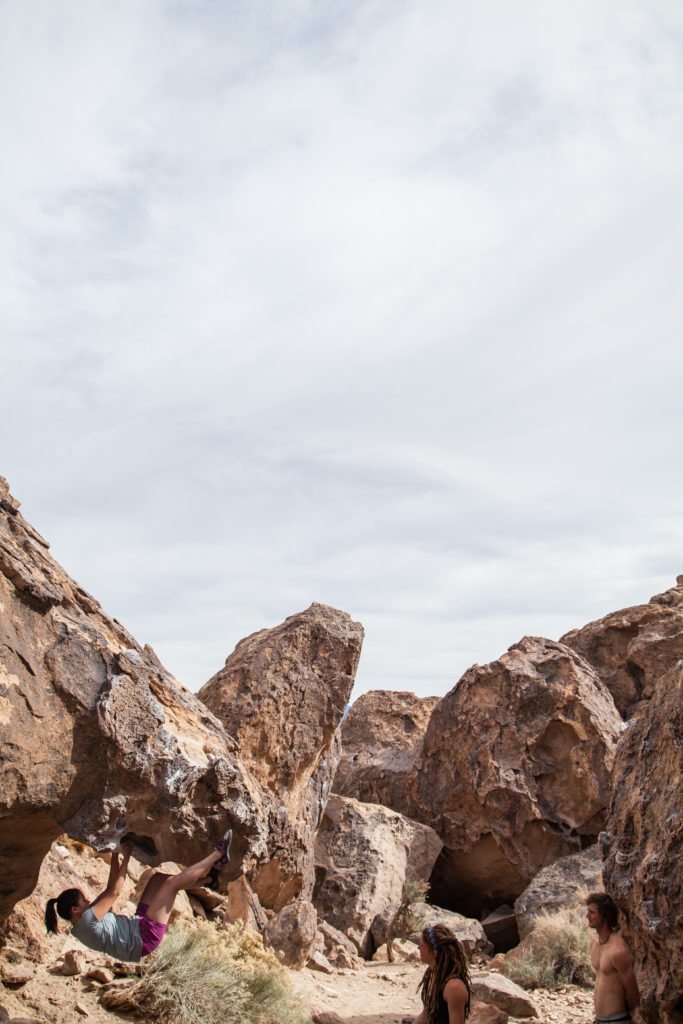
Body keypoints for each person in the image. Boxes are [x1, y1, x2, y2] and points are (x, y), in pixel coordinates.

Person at [44, 830, 233, 963]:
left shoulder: (82, 921)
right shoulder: (87, 921)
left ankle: (208, 880)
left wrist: (116, 855)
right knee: (170, 885)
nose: (87, 900)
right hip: (143, 938)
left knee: (158, 879)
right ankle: (219, 854)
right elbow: (116, 891)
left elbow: (109, 888)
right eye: (83, 900)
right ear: (75, 909)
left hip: (137, 925)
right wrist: (127, 855)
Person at [586, 892, 640, 1024]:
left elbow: (633, 994)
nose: (587, 916)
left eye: (592, 912)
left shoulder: (618, 951)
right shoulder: (594, 943)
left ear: (604, 915)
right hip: (598, 1019)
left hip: (617, 1020)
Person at [413, 923, 471, 1024]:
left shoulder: (454, 987)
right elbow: (426, 1015)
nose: (419, 948)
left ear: (434, 952)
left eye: (422, 945)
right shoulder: (434, 977)